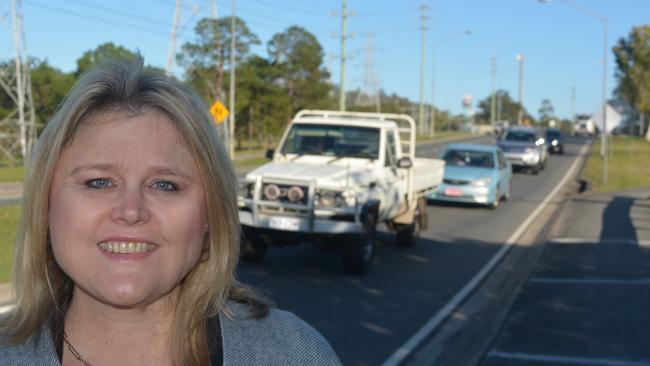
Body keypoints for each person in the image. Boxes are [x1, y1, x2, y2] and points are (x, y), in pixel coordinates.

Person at [0, 56, 341, 366]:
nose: (131, 211)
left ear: (210, 215)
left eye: (165, 185)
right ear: (47, 206)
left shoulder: (293, 354)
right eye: (99, 182)